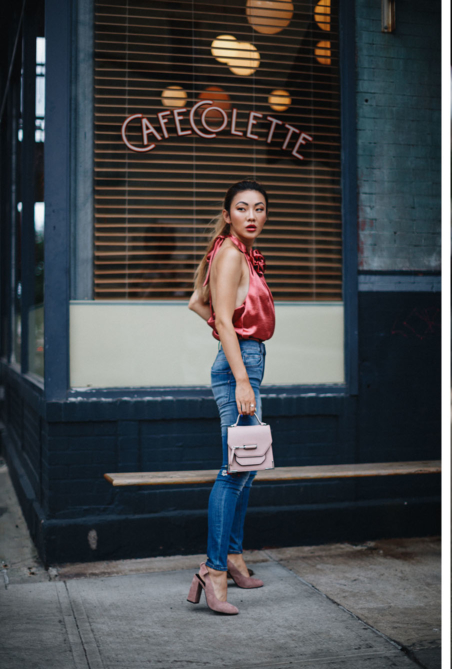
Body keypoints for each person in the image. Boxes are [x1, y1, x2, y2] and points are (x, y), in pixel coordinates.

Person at [185, 180, 276, 615]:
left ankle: (234, 557)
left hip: (245, 360)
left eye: (259, 208)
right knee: (233, 471)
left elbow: (195, 303)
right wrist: (239, 374)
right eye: (243, 208)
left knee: (249, 465)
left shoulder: (239, 253)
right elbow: (221, 317)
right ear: (228, 215)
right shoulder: (231, 254)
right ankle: (214, 569)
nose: (252, 215)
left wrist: (232, 343)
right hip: (240, 367)